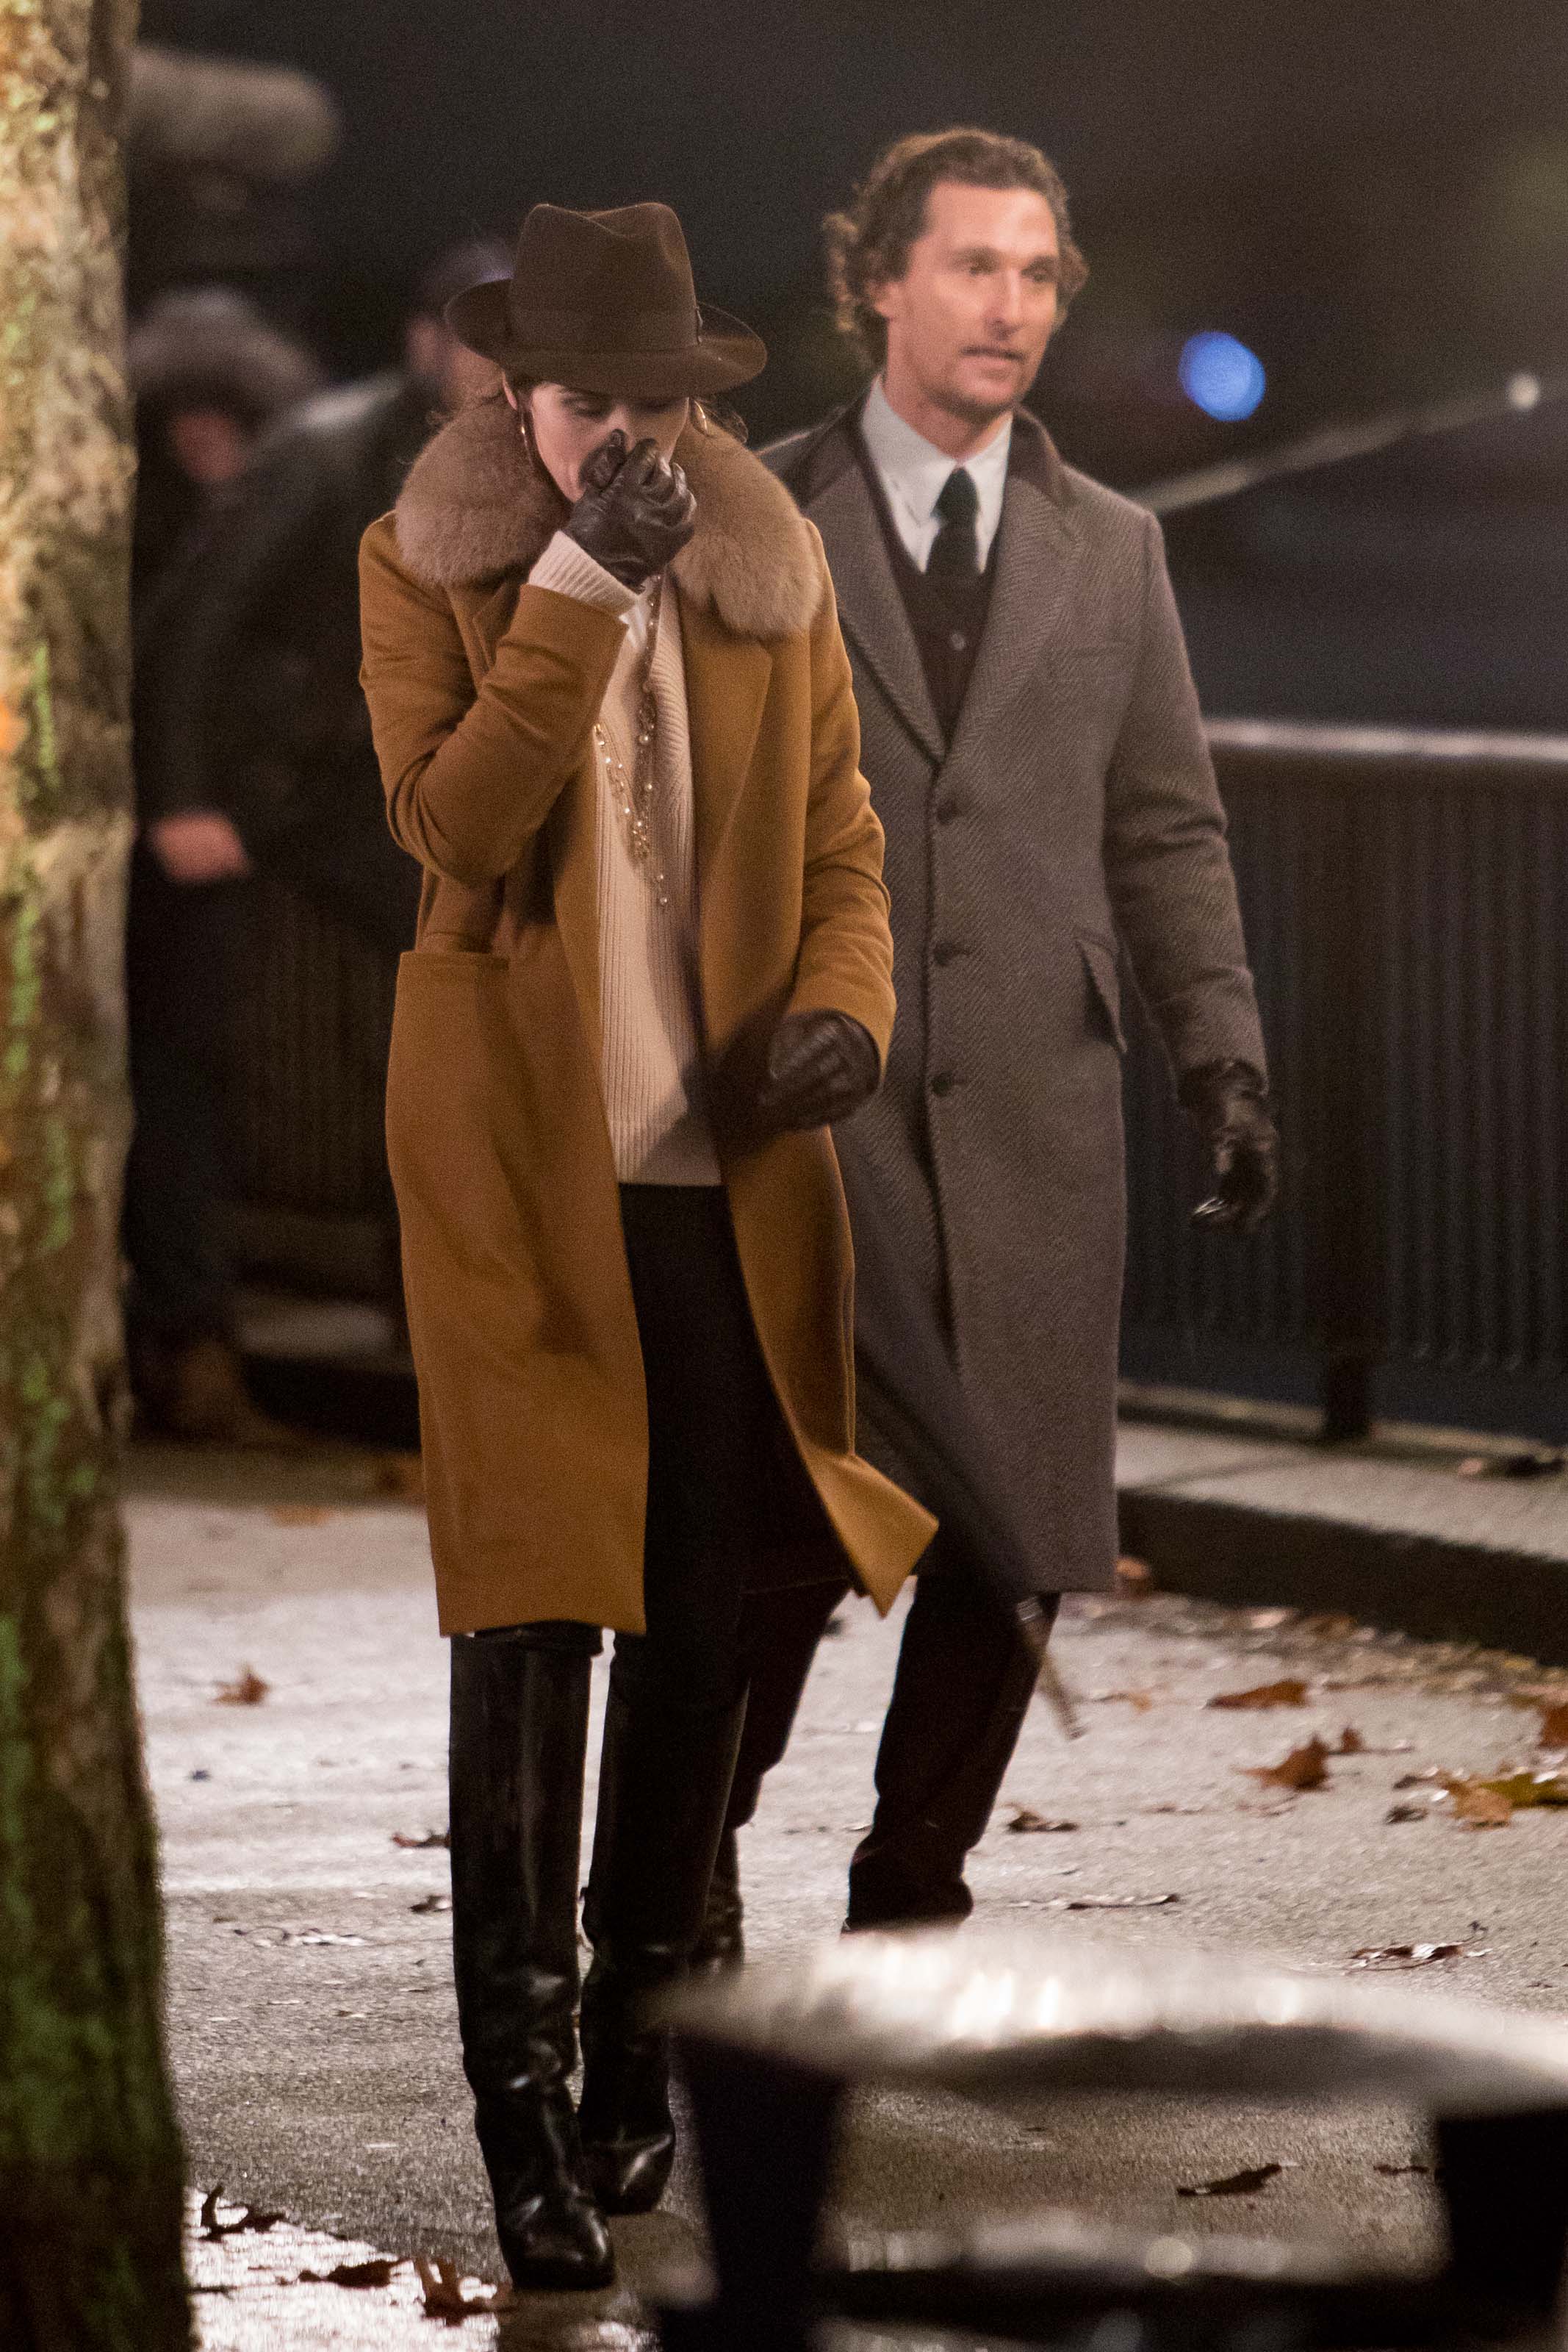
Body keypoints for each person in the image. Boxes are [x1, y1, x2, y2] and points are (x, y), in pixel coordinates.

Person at [358, 200, 933, 2292]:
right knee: (530, 1624)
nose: (621, 433)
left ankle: (631, 2053)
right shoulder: (428, 558)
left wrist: (842, 1018)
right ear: (514, 390)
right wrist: (583, 580)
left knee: (702, 1617)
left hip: (719, 1168)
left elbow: (844, 848)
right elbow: (455, 825)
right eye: (583, 397)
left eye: (652, 401)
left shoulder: (774, 577)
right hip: (518, 1168)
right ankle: (513, 2110)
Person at [700, 127, 1279, 1956]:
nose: (1008, 308)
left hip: (1040, 1108)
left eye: (1036, 275)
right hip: (815, 1113)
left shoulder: (1113, 548)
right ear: (875, 279)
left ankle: (908, 1910)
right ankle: (674, 1888)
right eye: (971, 266)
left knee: (1018, 1546)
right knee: (779, 1547)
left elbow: (1162, 826)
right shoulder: (754, 516)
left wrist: (1221, 1059)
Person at [126, 246, 506, 1441]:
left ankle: (434, 1326)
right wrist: (182, 794)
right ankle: (186, 1342)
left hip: (360, 788)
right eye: (482, 343)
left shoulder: (510, 468)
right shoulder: (325, 448)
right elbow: (196, 620)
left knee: (448, 1019)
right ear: (425, 344)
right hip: (245, 776)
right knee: (193, 1047)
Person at [124, 287, 324, 1442]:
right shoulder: (146, 526)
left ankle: (188, 1332)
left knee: (189, 1074)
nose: (205, 440)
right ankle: (185, 1335)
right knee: (180, 1074)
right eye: (184, 420)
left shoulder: (257, 516)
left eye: (224, 419)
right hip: (166, 839)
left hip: (213, 836)